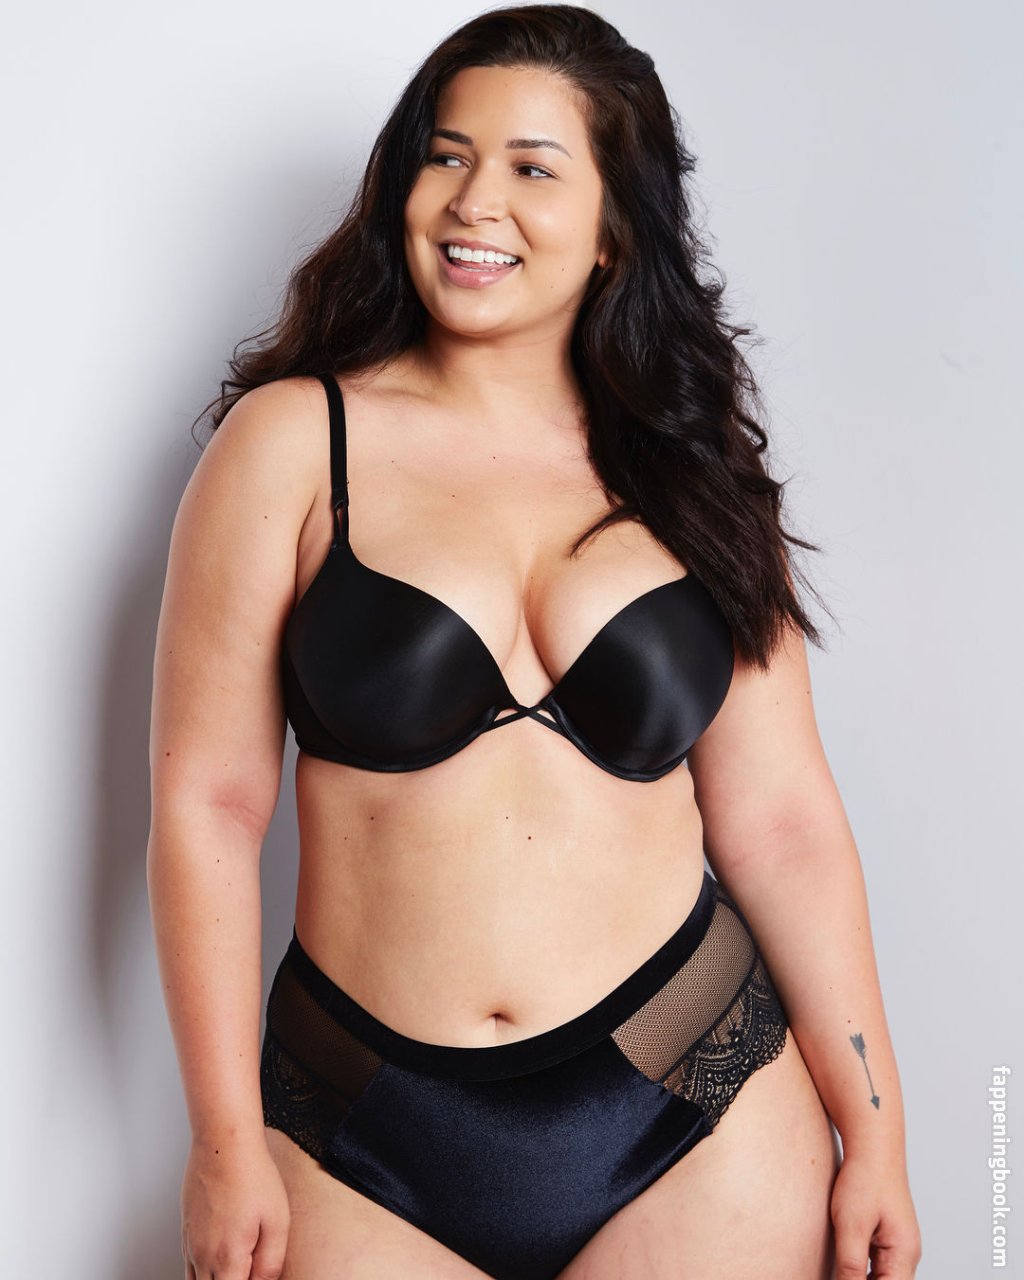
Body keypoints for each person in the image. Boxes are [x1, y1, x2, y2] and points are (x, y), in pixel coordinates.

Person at [147, 6, 922, 1278]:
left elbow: (783, 824)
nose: (474, 202)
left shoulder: (692, 475)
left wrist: (876, 1128)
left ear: (615, 224)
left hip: (692, 1097)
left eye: (531, 167)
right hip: (361, 1113)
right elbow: (209, 806)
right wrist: (223, 1138)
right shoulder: (290, 444)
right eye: (445, 156)